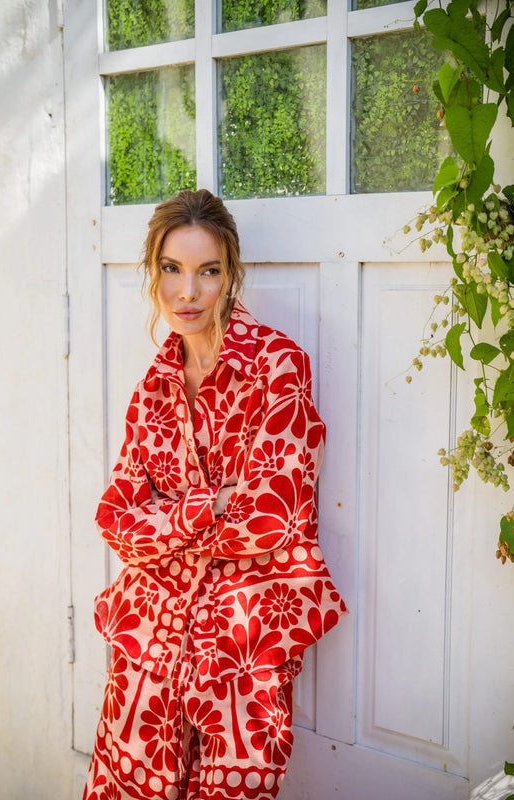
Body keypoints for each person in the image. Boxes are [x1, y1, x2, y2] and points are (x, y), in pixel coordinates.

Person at [83, 189, 347, 800]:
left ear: (231, 275)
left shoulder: (278, 367)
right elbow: (116, 519)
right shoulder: (152, 389)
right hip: (148, 636)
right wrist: (211, 504)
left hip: (244, 634)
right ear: (153, 273)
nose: (188, 292)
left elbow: (272, 517)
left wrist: (166, 523)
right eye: (171, 269)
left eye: (207, 271)